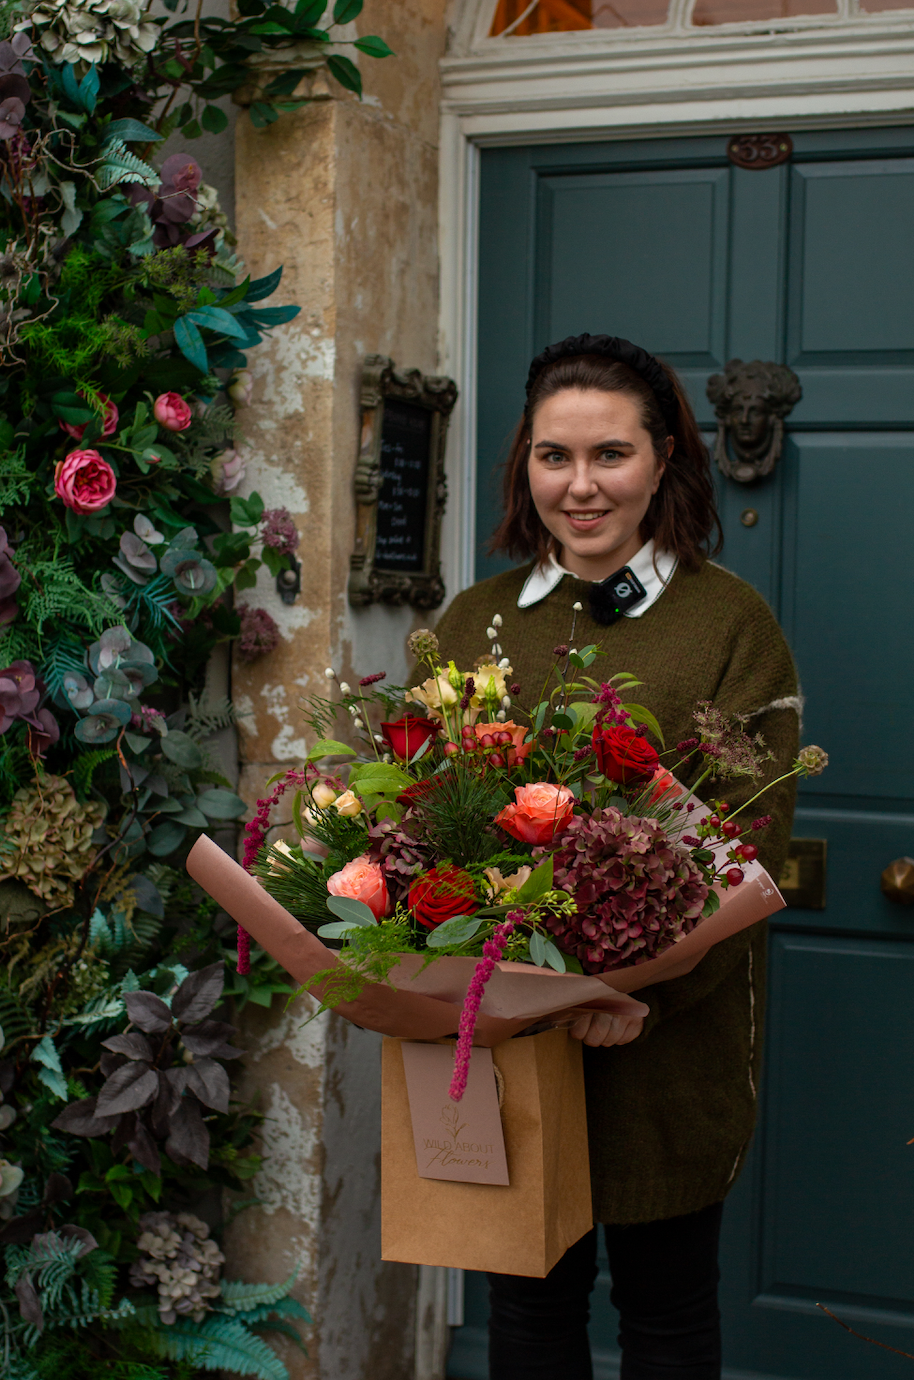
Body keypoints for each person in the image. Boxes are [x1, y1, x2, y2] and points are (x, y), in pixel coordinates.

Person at [430, 334, 799, 1380]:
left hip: (662, 1046)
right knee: (527, 1316)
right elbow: (420, 831)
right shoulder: (472, 624)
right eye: (554, 457)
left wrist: (633, 993)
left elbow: (745, 846)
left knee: (666, 1315)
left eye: (610, 455)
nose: (579, 487)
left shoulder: (729, 623)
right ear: (524, 465)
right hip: (508, 1049)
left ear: (664, 457)